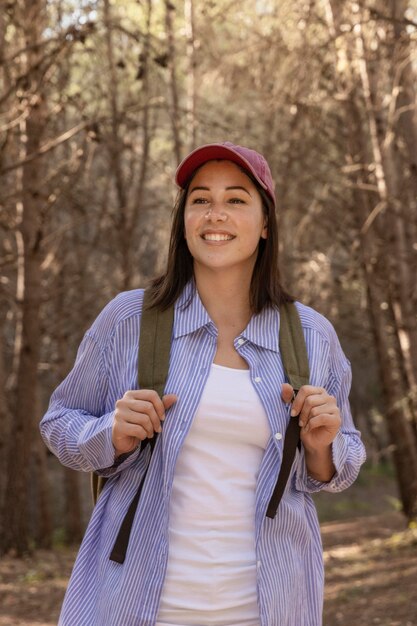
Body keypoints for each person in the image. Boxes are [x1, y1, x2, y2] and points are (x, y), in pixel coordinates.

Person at [40, 141, 366, 626]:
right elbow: (59, 423)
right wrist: (110, 433)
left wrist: (322, 446)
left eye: (236, 200)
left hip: (272, 607)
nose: (216, 214)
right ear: (184, 220)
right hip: (134, 606)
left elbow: (346, 457)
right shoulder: (129, 319)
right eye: (200, 199)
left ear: (265, 224)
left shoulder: (311, 334)